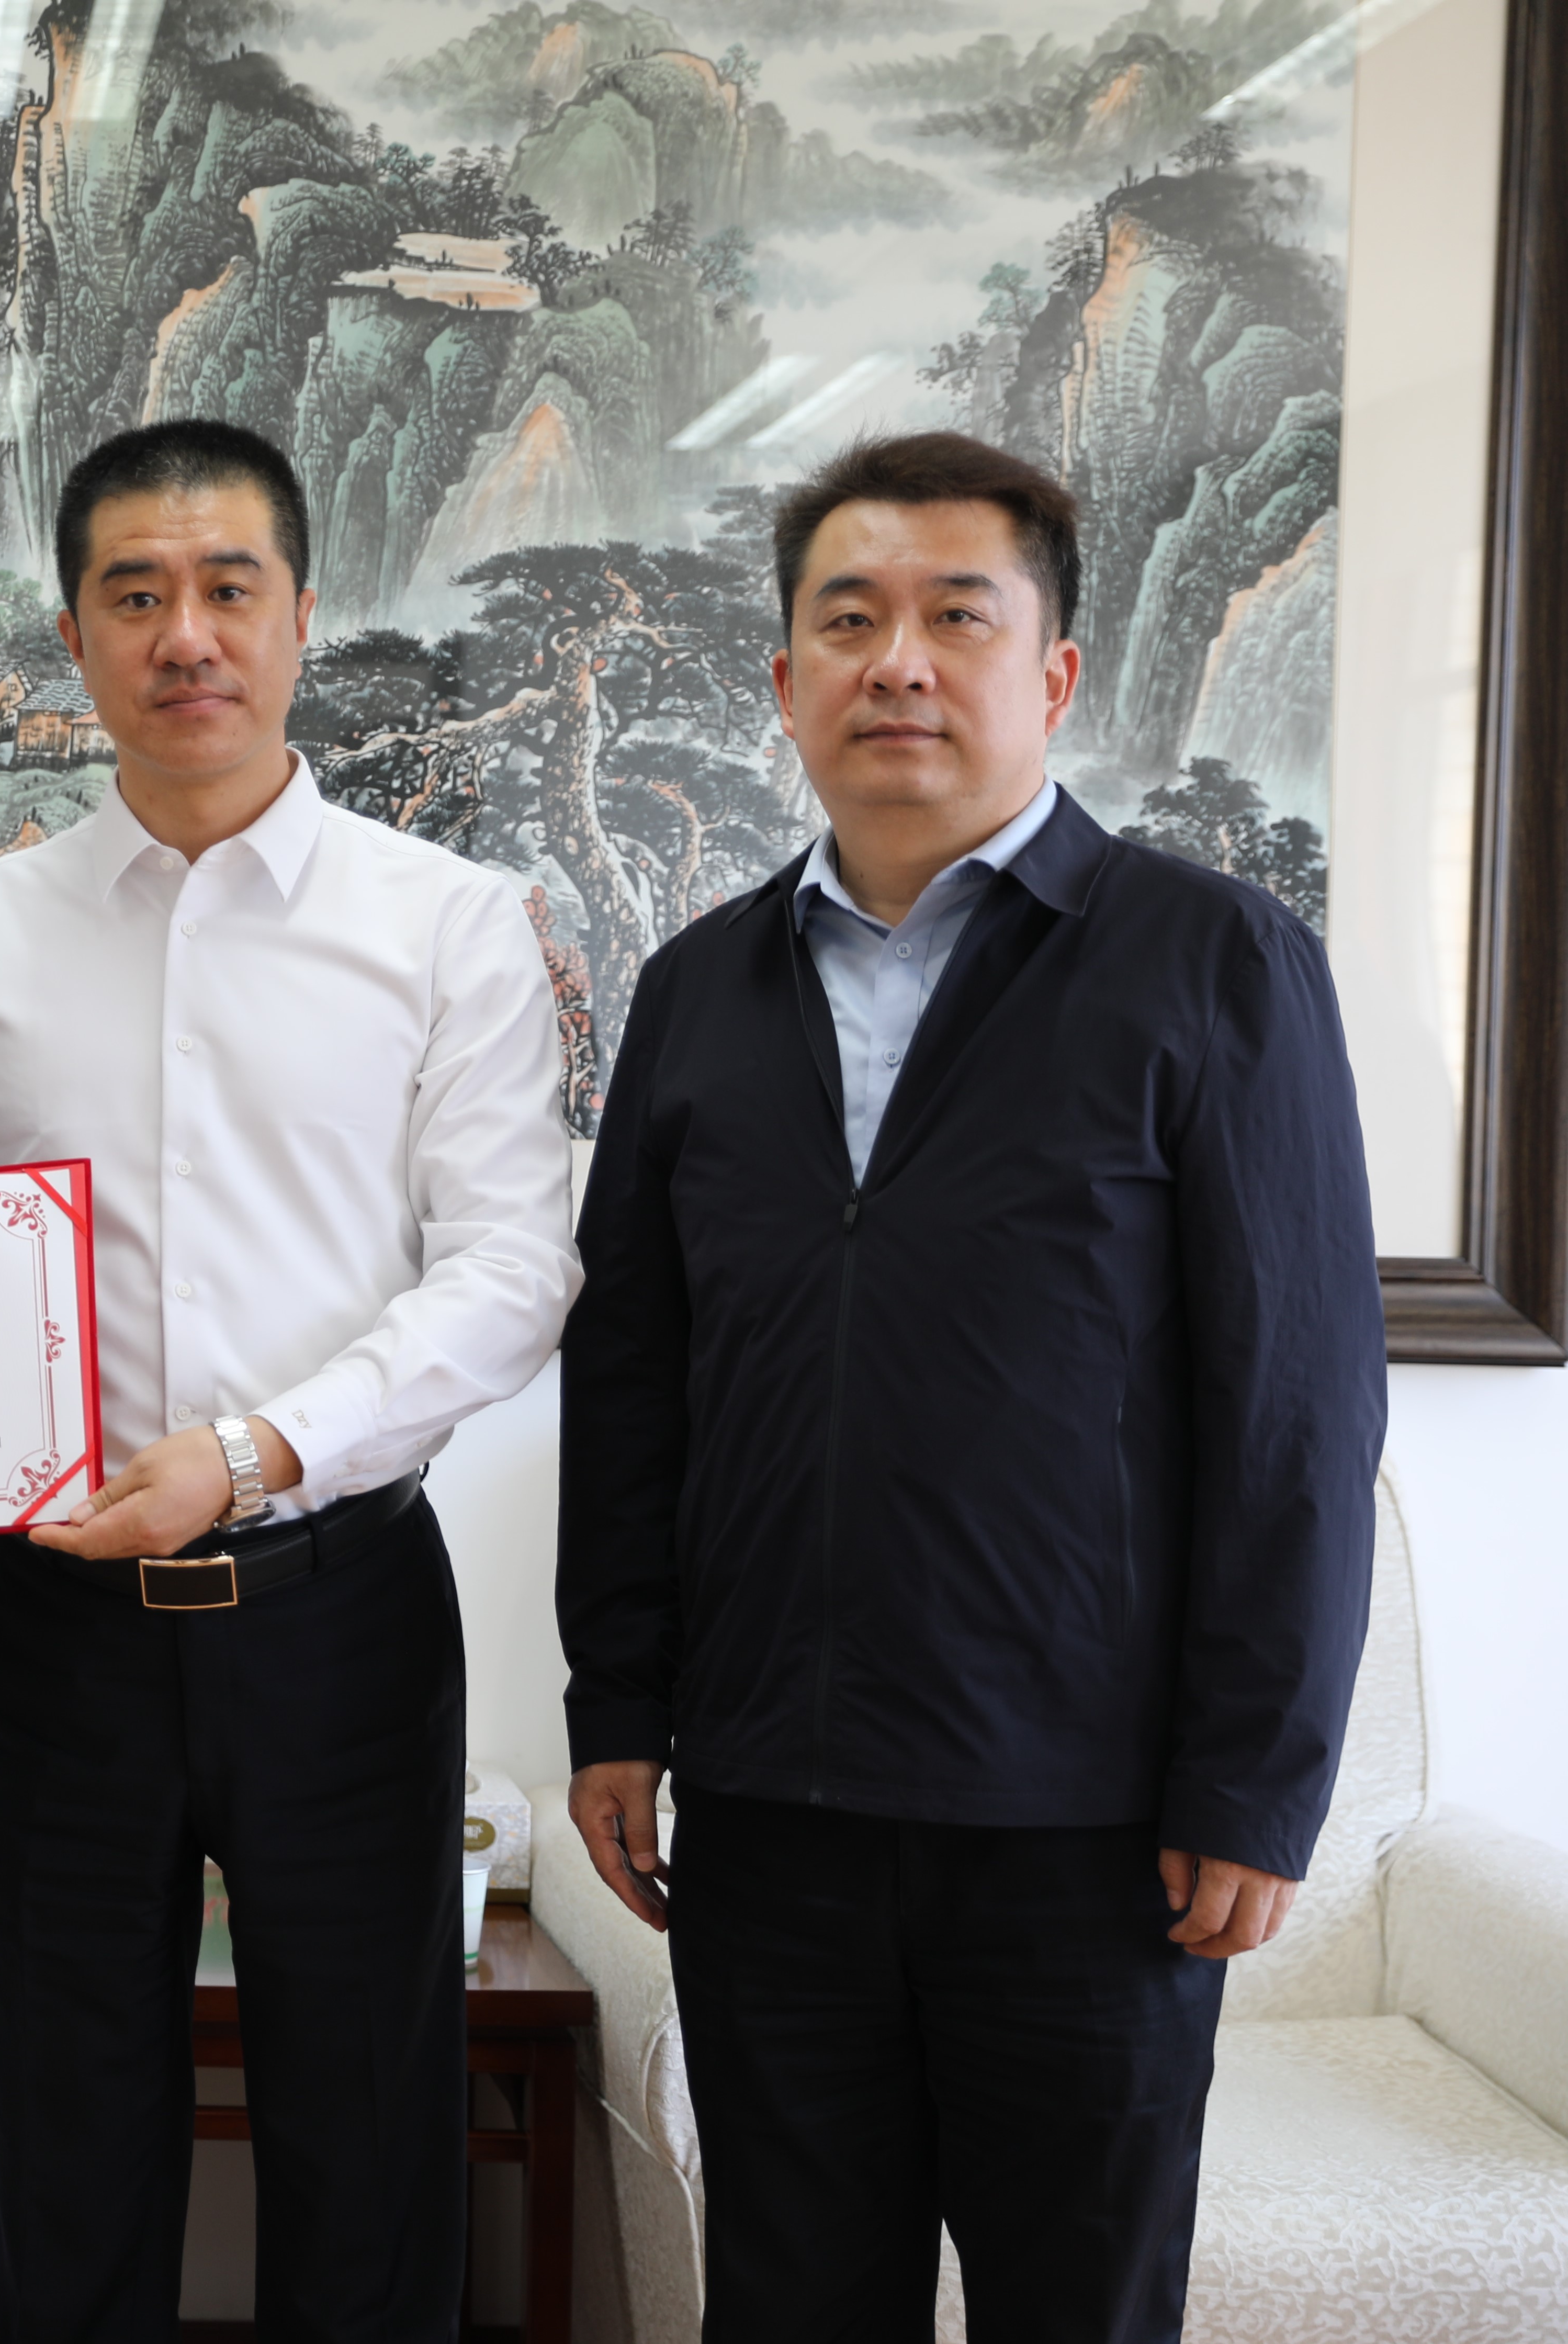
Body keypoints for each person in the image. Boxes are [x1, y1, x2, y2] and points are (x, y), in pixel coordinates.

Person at [556, 431, 1383, 2340]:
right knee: (788, 2304)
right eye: (849, 622)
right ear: (785, 680)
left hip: (1087, 1830)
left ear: (1056, 672)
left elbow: (1298, 1412)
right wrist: (621, 1702)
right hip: (770, 1807)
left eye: (957, 617)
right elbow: (637, 1377)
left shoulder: (1215, 963)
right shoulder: (698, 989)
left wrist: (1255, 1779)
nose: (899, 664)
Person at [0, 419, 581, 2341]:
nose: (187, 636)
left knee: (369, 2140)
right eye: (137, 594)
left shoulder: (447, 924)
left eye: (229, 588)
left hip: (340, 1615)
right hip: (51, 1626)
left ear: (302, 616)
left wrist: (252, 1454)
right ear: (74, 636)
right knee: (71, 2136)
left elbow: (513, 1271)